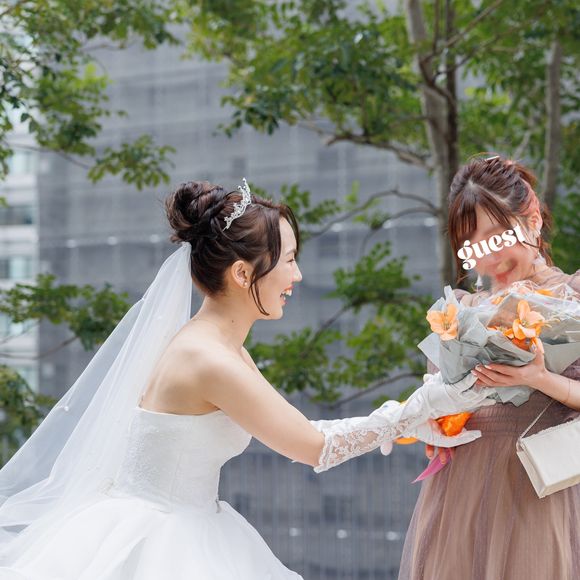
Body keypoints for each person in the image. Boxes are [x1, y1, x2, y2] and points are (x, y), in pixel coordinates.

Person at [0, 179, 491, 579]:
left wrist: (413, 418)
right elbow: (313, 447)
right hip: (162, 541)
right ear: (241, 273)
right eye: (290, 260)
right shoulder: (208, 360)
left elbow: (300, 430)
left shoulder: (221, 347)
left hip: (192, 522)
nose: (298, 276)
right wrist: (424, 405)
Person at [398, 156, 580, 580]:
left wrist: (540, 378)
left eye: (498, 237)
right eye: (472, 244)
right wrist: (436, 425)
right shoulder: (457, 312)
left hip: (539, 492)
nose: (490, 257)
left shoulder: (572, 296)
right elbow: (441, 404)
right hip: (459, 496)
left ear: (532, 220)